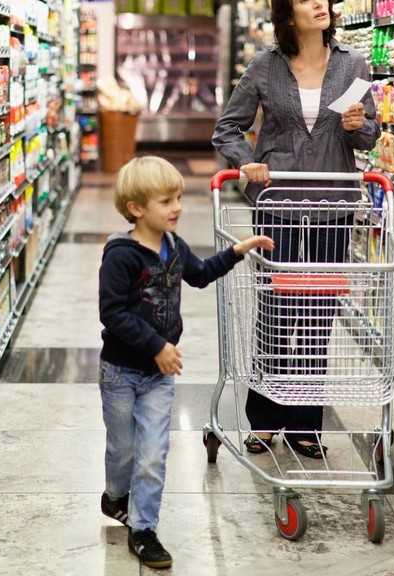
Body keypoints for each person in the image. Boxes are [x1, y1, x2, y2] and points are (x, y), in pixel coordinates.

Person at [211, 0, 379, 460]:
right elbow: (227, 129)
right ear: (288, 15)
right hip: (279, 205)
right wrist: (248, 163)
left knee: (317, 315)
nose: (318, 4)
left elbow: (367, 137)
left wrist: (357, 125)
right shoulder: (265, 67)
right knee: (276, 311)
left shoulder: (353, 65)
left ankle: (306, 423)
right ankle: (264, 419)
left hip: (332, 204)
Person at [98, 156, 274, 569]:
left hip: (159, 377)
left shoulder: (174, 247)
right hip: (120, 372)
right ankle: (114, 497)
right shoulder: (120, 255)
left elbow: (199, 273)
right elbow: (113, 314)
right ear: (136, 209)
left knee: (154, 452)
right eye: (165, 201)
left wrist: (237, 250)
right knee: (123, 448)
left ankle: (143, 529)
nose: (176, 207)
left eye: (177, 198)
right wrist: (158, 345)